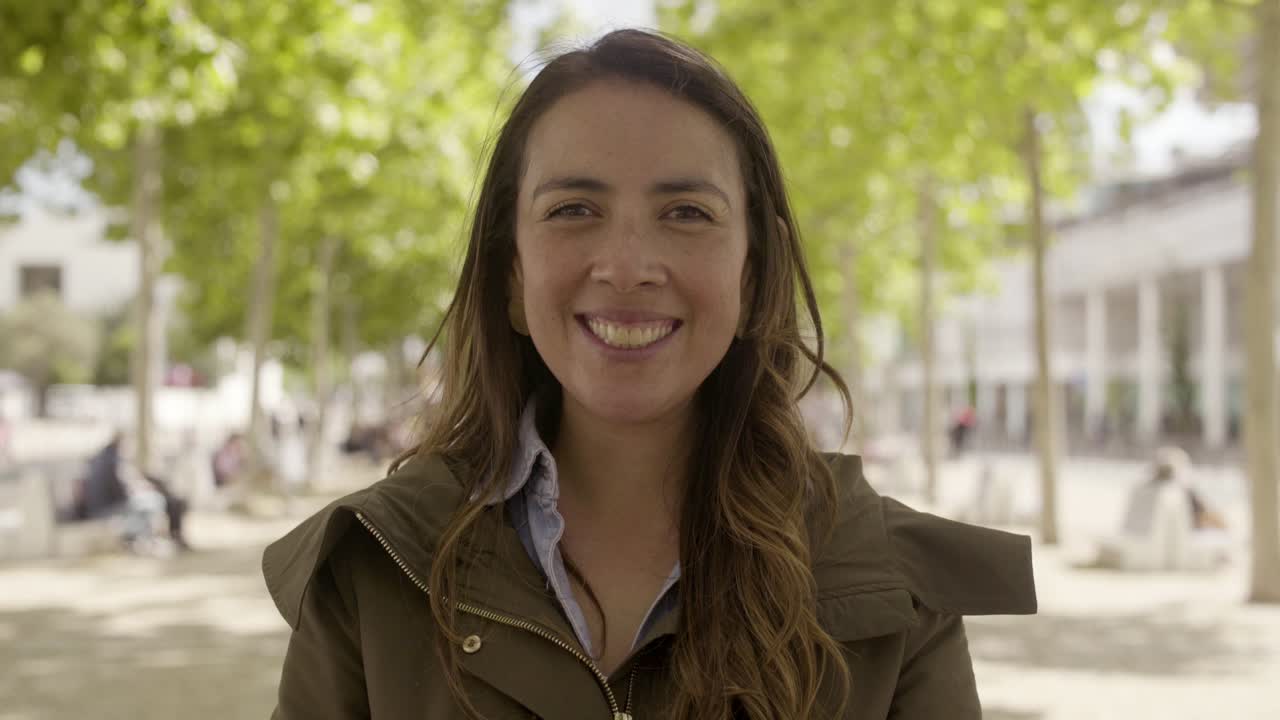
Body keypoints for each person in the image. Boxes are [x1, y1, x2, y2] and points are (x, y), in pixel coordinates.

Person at [264, 29, 1035, 719]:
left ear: (753, 270)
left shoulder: (891, 584)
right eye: (573, 210)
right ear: (510, 276)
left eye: (686, 214)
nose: (627, 267)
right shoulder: (373, 564)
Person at [77, 432, 191, 552]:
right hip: (105, 509)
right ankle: (146, 541)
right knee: (154, 502)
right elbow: (118, 490)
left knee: (149, 504)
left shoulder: (104, 457)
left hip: (100, 506)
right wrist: (135, 491)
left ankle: (145, 540)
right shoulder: (111, 460)